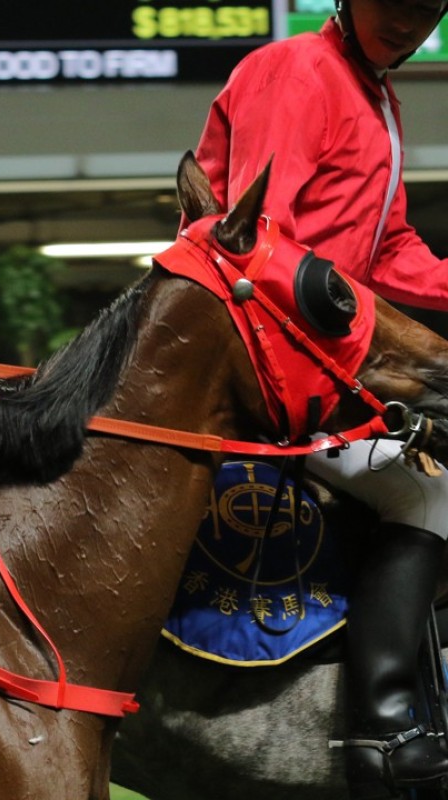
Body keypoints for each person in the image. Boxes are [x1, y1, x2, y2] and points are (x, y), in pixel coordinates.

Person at [191, 0, 448, 793]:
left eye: (429, 7)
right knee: (434, 498)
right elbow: (262, 239)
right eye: (395, 2)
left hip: (331, 345)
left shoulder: (375, 93)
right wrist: (385, 342)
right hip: (271, 352)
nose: (411, 20)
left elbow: (390, 247)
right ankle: (384, 725)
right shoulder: (298, 68)